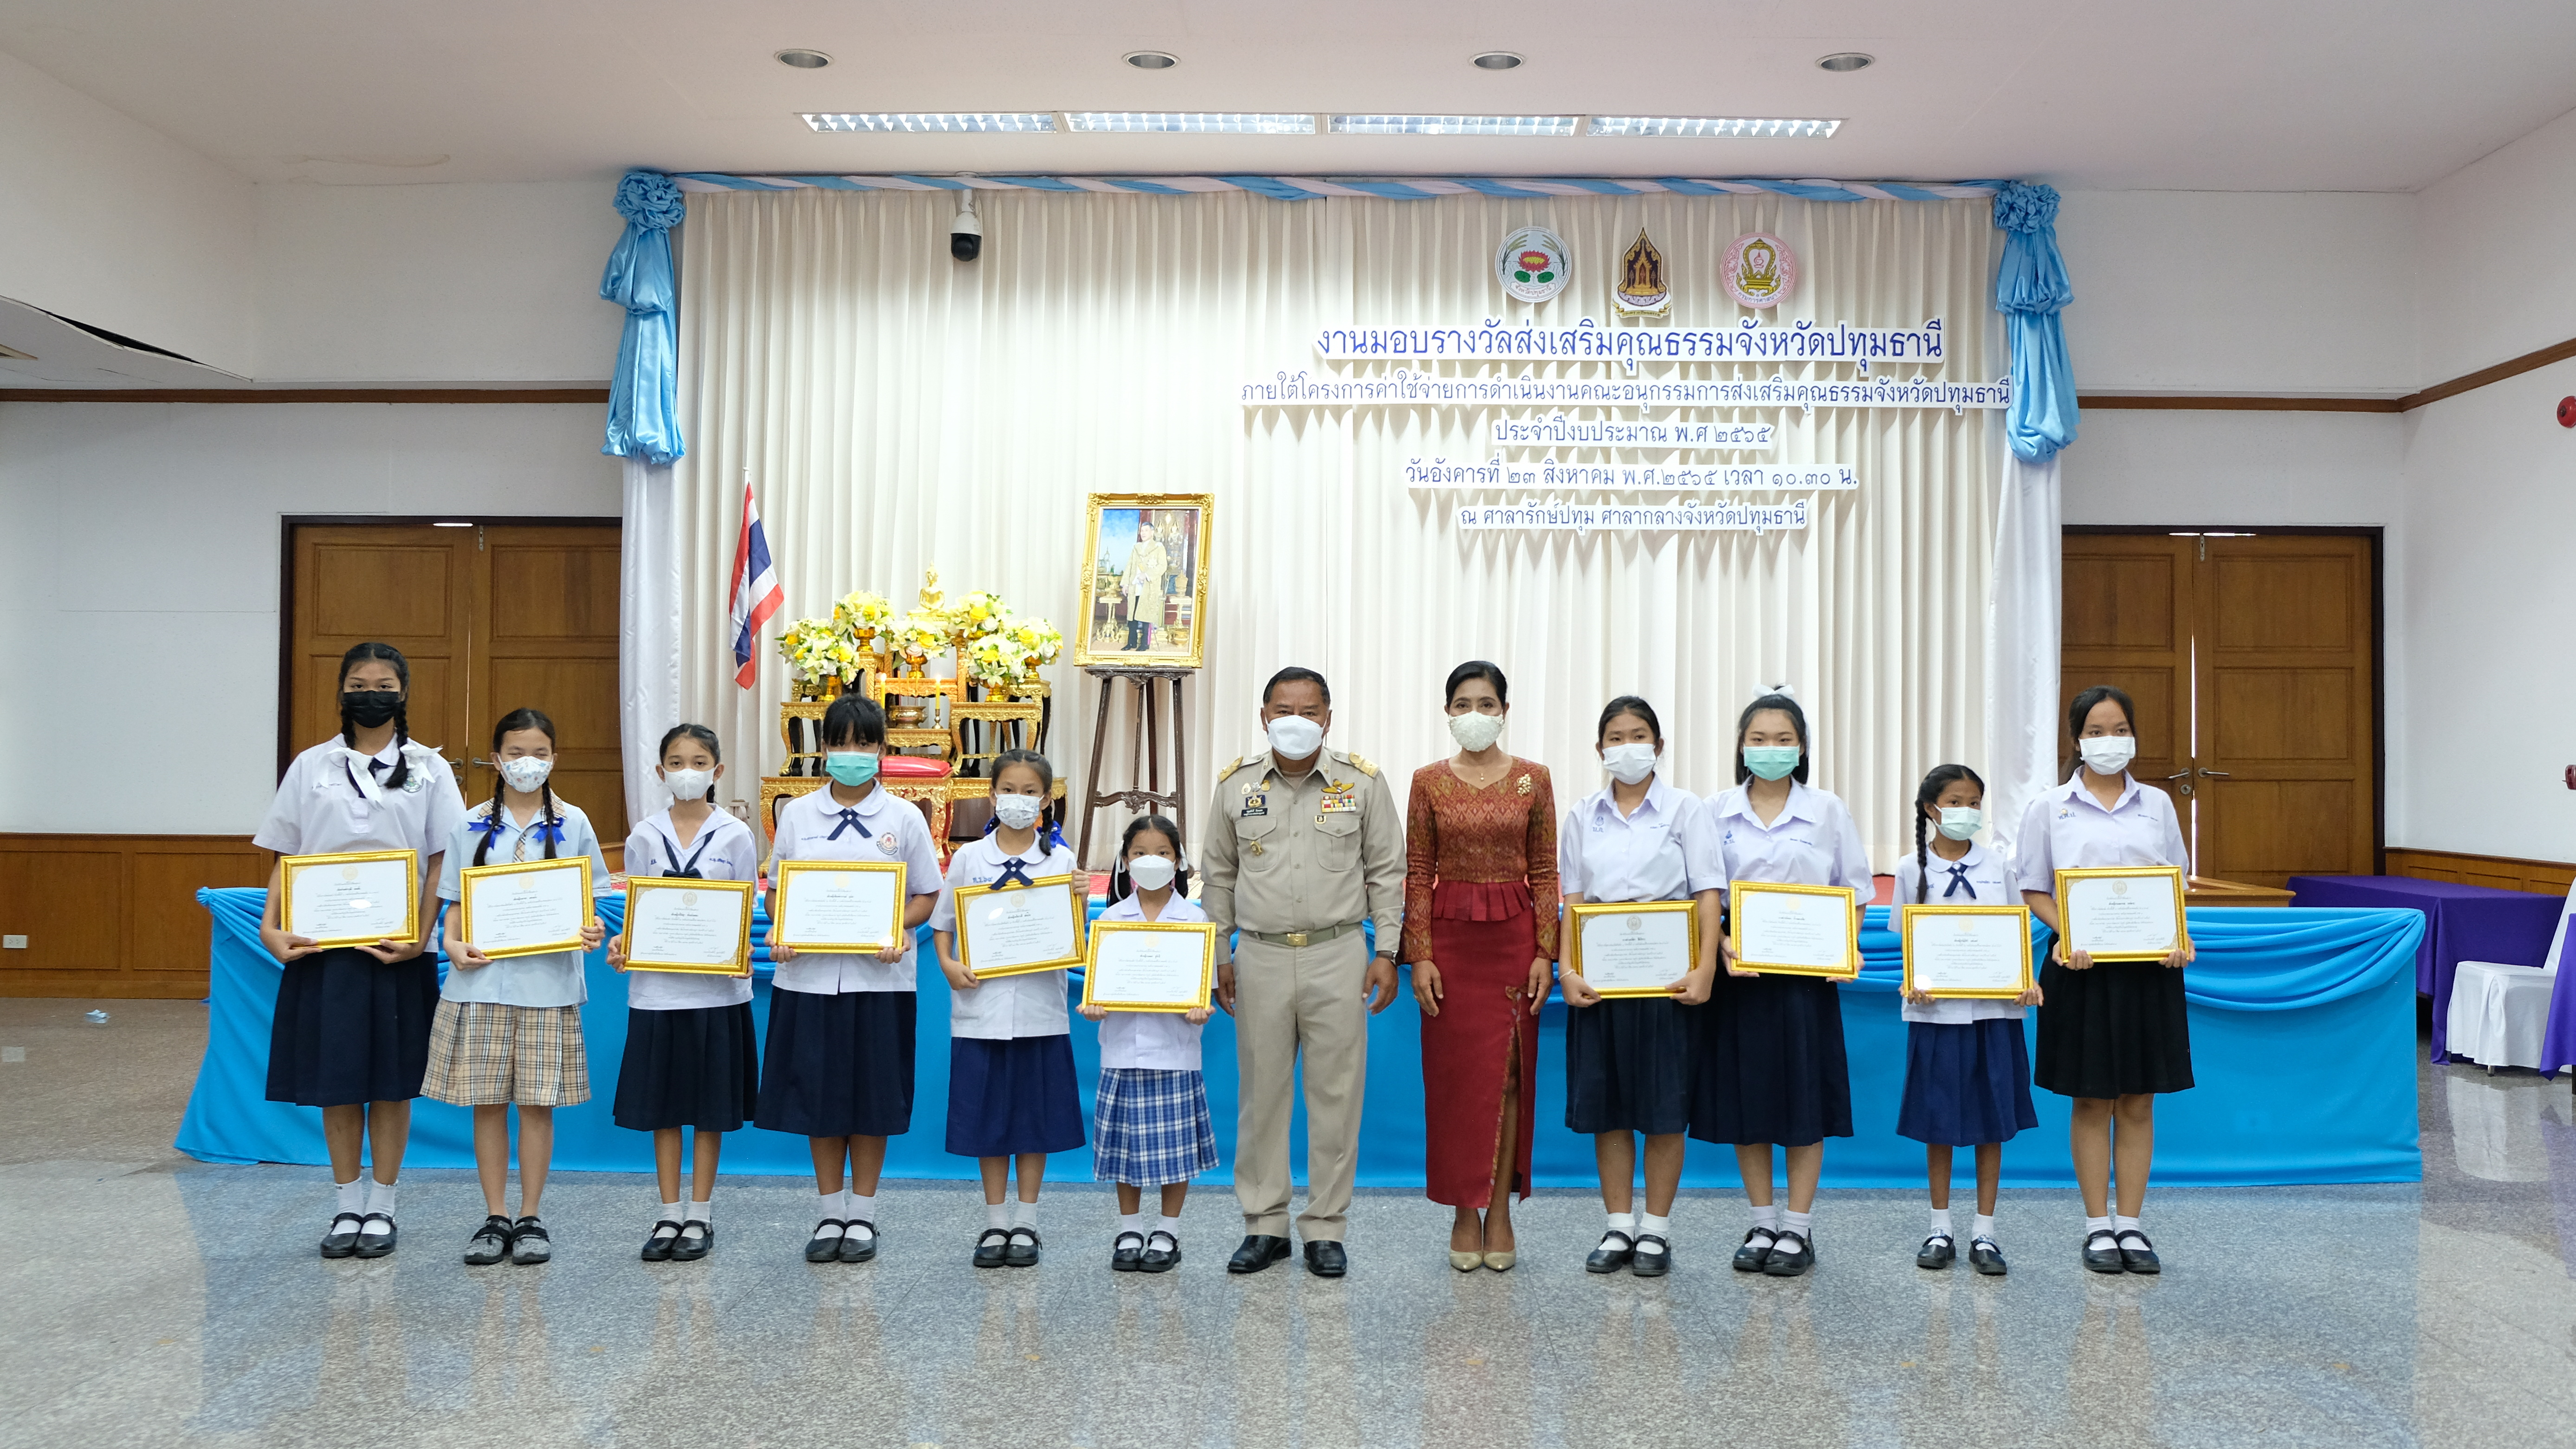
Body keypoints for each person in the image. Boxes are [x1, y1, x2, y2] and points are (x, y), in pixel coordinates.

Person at [256, 642, 464, 1259]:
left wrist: (421, 936)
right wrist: (270, 925)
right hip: (323, 948)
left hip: (396, 949)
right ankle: (348, 1203)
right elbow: (288, 854)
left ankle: (384, 1205)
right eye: (358, 683)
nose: (371, 693)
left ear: (404, 692)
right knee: (339, 1080)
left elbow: (442, 859)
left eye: (384, 684)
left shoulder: (430, 768)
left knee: (392, 1083)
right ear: (342, 691)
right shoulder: (311, 765)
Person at [1201, 666, 1404, 1278]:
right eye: (1283, 710)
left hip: (1337, 952)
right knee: (1261, 1095)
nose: (1296, 720)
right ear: (1264, 717)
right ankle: (1264, 1224)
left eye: (1309, 711)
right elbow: (1218, 876)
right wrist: (1219, 953)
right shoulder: (1235, 785)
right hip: (1259, 954)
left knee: (1335, 1096)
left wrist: (1388, 952)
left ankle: (1324, 1227)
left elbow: (1387, 872)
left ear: (1328, 718)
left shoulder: (1361, 783)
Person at [2015, 684, 2194, 1275]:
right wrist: (2069, 931)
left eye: (2119, 729)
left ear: (2134, 735)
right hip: (2081, 969)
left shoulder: (2158, 805)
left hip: (2150, 971)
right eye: (2096, 731)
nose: (2109, 740)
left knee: (2139, 1099)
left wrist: (2178, 935)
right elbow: (2034, 887)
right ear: (2076, 739)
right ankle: (2097, 1225)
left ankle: (2132, 1223)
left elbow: (2174, 883)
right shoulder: (2049, 807)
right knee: (2092, 1098)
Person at [1694, 686, 1871, 1278]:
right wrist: (1721, 946)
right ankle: (1762, 1219)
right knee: (1749, 1099)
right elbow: (1706, 895)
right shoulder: (1715, 811)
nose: (1771, 748)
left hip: (1806, 981)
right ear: (1742, 747)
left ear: (1802, 747)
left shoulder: (1827, 810)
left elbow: (1854, 890)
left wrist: (1842, 945)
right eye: (1759, 739)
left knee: (1803, 1100)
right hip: (1740, 978)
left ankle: (1797, 1225)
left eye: (1783, 739)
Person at [761, 693, 943, 1265]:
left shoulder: (905, 818)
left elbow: (927, 895)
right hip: (808, 980)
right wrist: (782, 927)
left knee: (872, 1099)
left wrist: (898, 926)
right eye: (840, 743)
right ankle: (829, 1212)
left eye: (863, 744)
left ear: (881, 748)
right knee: (817, 1100)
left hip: (880, 982)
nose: (852, 753)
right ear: (823, 749)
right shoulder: (797, 814)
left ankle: (862, 1213)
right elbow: (776, 892)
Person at [429, 708, 613, 1267]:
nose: (526, 762)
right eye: (515, 753)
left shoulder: (574, 822)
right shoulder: (470, 823)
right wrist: (451, 943)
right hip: (481, 982)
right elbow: (454, 901)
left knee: (537, 1105)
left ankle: (531, 1215)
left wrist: (591, 928)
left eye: (538, 752)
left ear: (554, 758)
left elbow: (590, 901)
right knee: (487, 1104)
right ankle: (495, 1215)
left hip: (547, 985)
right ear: (496, 759)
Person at [1557, 696, 1724, 1278]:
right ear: (1599, 748)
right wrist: (1567, 968)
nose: (1627, 746)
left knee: (1663, 1108)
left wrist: (1705, 967)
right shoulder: (1583, 814)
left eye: (1638, 735)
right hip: (1601, 980)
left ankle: (1656, 1229)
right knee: (1609, 1108)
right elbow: (1573, 899)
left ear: (1659, 745)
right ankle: (1618, 1224)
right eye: (1616, 737)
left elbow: (1707, 892)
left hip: (1667, 979)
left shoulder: (1686, 809)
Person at [1402, 660, 1558, 1272]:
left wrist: (1545, 950)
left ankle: (1499, 1210)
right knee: (1456, 1082)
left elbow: (1544, 868)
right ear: (1448, 712)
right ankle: (1463, 1210)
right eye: (1463, 703)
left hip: (1515, 941)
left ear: (1504, 710)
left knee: (1511, 1076)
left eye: (1487, 703)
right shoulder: (1427, 781)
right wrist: (1419, 953)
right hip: (1449, 943)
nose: (1475, 713)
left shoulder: (1534, 779)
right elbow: (1418, 870)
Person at [607, 724, 761, 1262]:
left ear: (718, 771)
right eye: (676, 762)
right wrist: (625, 944)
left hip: (717, 994)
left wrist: (738, 946)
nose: (687, 771)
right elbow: (637, 908)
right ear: (660, 771)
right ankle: (669, 1210)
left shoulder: (735, 835)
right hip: (658, 993)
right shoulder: (644, 835)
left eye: (699, 762)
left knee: (710, 1107)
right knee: (665, 1107)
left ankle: (700, 1212)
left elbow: (747, 905)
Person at [930, 749, 1084, 1268]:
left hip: (1041, 1012)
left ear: (1046, 799)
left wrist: (1077, 897)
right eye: (1009, 790)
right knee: (988, 1119)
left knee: (1034, 1119)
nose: (1019, 799)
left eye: (1030, 792)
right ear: (992, 794)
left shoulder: (1061, 862)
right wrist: (948, 964)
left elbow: (1075, 937)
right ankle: (996, 1221)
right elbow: (944, 922)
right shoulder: (971, 858)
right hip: (982, 1009)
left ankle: (1027, 1222)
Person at [1892, 764, 2039, 1276]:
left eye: (1975, 802)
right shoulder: (1910, 869)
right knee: (1938, 1119)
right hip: (1936, 1015)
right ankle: (1940, 1227)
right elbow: (1908, 941)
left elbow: (2016, 932)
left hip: (1994, 1013)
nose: (1967, 811)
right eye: (1956, 802)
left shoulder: (1999, 865)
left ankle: (1985, 1230)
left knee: (1991, 1120)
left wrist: (2026, 981)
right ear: (1931, 809)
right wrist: (1913, 981)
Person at [1079, 815, 1217, 1273]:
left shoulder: (1194, 919)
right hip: (1122, 1051)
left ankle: (1167, 1230)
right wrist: (1095, 1005)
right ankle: (1130, 1228)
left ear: (1178, 861)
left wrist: (1200, 1007)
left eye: (1162, 853)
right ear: (1124, 860)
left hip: (1176, 1053)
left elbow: (1204, 989)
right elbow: (1099, 986)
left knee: (1176, 1151)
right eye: (1140, 853)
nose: (1151, 861)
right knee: (1126, 1149)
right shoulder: (1111, 920)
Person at [1123, 522, 1168, 651]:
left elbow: (1163, 566)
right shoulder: (1136, 547)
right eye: (1142, 531)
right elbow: (1130, 566)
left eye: (1146, 531)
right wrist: (1125, 583)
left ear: (1152, 532)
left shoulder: (1158, 547)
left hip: (1149, 587)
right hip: (1135, 586)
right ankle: (1131, 642)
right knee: (1132, 616)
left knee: (1146, 616)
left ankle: (1145, 644)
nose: (1143, 533)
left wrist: (1147, 575)